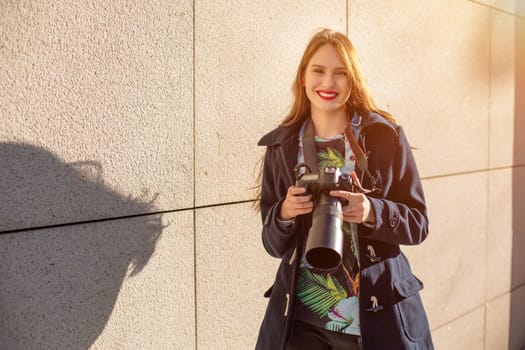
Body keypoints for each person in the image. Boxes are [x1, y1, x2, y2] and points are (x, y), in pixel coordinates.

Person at [255, 28, 434, 350]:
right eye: (318, 71)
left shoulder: (383, 137)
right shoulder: (281, 146)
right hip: (302, 320)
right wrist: (284, 212)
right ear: (303, 78)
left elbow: (418, 224)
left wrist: (372, 211)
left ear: (353, 81)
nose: (328, 83)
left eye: (340, 73)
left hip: (375, 318)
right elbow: (272, 244)